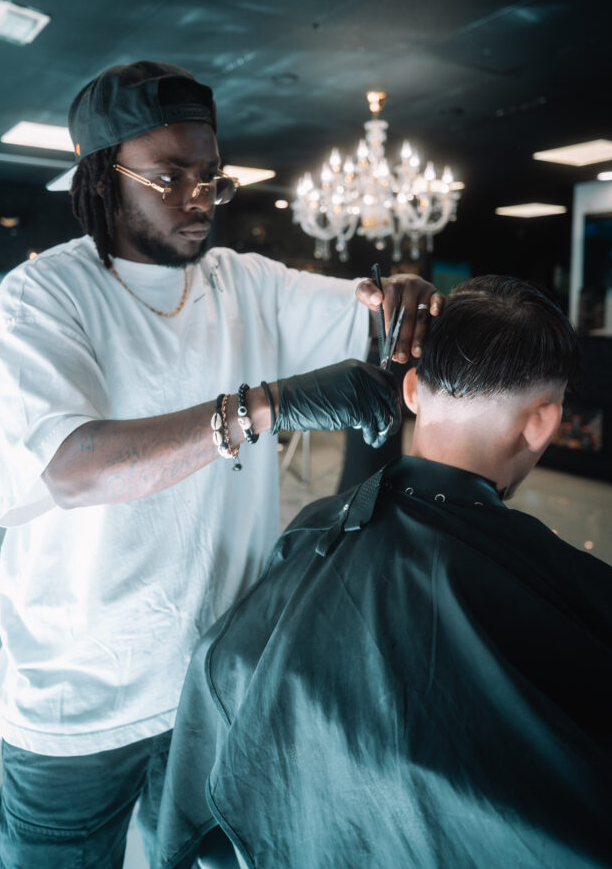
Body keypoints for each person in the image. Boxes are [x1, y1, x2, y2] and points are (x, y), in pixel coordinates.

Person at [0, 60, 440, 868]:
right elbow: (76, 468)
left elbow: (382, 322)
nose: (196, 197)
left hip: (212, 682)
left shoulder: (244, 283)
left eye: (210, 178)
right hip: (77, 694)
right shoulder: (44, 294)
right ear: (101, 178)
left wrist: (409, 299)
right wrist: (267, 404)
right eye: (168, 177)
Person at [154, 275, 612, 869]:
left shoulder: (319, 528)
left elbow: (222, 671)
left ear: (414, 392)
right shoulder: (570, 589)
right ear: (543, 422)